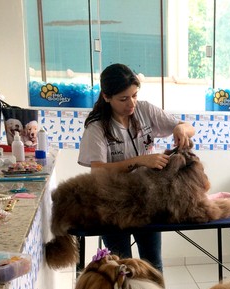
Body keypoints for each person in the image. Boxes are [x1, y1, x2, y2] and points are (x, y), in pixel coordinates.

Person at [78, 63, 195, 273]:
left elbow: (189, 127)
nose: (131, 103)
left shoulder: (145, 110)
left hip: (146, 199)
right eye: (123, 99)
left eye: (134, 95)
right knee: (123, 268)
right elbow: (98, 171)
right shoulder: (96, 127)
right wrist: (140, 161)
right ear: (106, 97)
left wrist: (180, 128)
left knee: (152, 265)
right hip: (112, 203)